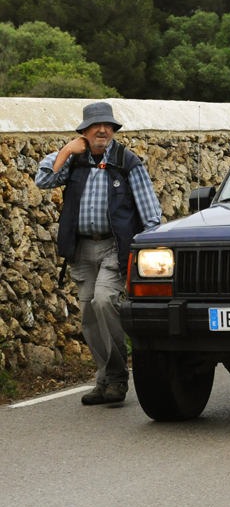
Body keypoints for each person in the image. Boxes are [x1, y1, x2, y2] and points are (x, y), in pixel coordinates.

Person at [34, 102, 162, 405]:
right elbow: (43, 180)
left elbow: (150, 213)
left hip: (114, 249)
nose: (102, 130)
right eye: (95, 126)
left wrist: (147, 249)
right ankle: (104, 378)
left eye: (107, 125)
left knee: (104, 301)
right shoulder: (74, 160)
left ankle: (117, 378)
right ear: (84, 132)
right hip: (81, 249)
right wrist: (66, 151)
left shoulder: (127, 161)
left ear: (114, 130)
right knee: (89, 316)